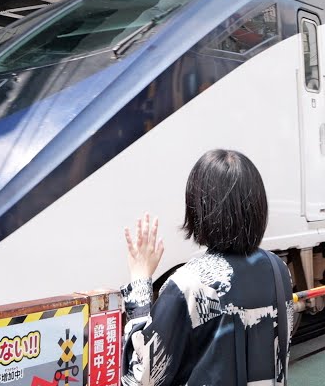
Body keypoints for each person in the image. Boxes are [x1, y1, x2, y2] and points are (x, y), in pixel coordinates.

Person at [120, 149, 292, 386]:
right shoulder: (278, 269)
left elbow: (141, 379)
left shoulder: (188, 284)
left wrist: (140, 282)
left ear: (198, 209)